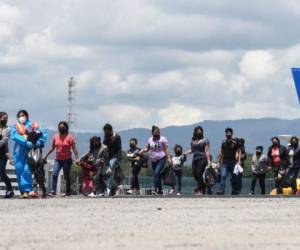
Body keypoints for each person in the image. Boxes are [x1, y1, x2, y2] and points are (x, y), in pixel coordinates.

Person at [11, 110, 47, 199]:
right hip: (18, 153)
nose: (21, 117)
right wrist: (25, 142)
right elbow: (14, 136)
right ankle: (22, 191)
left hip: (29, 152)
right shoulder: (15, 126)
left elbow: (43, 133)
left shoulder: (32, 125)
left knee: (26, 171)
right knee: (19, 171)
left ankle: (27, 191)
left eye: (23, 115)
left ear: (27, 116)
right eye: (19, 116)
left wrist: (38, 142)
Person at [44, 121, 79, 197]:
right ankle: (53, 191)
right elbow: (52, 147)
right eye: (60, 127)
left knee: (66, 176)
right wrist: (46, 156)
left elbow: (74, 148)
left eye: (63, 127)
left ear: (66, 128)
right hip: (58, 159)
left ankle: (68, 192)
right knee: (54, 174)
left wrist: (77, 158)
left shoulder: (70, 137)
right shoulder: (56, 136)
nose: (61, 128)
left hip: (67, 160)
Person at [139, 126, 171, 195]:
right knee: (157, 175)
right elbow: (147, 149)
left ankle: (155, 189)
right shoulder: (150, 140)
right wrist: (142, 151)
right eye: (156, 132)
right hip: (153, 160)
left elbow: (166, 149)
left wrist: (168, 158)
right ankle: (160, 190)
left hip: (161, 158)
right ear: (152, 132)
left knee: (156, 173)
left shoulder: (163, 139)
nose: (157, 133)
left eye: (158, 132)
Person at [185, 126, 211, 195]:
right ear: (195, 132)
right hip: (195, 159)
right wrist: (184, 153)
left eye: (200, 131)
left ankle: (199, 189)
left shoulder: (205, 140)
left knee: (199, 172)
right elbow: (192, 150)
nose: (199, 132)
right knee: (195, 174)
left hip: (203, 158)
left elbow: (207, 151)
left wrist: (209, 161)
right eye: (198, 131)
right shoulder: (193, 141)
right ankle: (203, 187)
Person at [216, 128, 241, 195]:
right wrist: (218, 162)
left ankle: (235, 190)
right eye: (226, 133)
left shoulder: (235, 142)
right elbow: (221, 152)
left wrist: (239, 161)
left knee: (234, 177)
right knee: (223, 176)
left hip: (233, 162)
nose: (227, 134)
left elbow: (239, 151)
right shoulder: (223, 142)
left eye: (229, 133)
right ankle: (221, 190)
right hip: (225, 162)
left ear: (232, 134)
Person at [103, 124, 123, 196]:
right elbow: (104, 148)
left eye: (106, 131)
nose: (105, 132)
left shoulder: (117, 136)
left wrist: (119, 157)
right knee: (107, 173)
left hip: (115, 156)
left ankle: (110, 187)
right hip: (108, 157)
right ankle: (115, 187)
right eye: (105, 131)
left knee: (110, 170)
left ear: (110, 129)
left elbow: (119, 148)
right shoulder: (106, 138)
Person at [0, 112, 14, 198]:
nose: (5, 120)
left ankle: (9, 189)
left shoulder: (8, 129)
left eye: (6, 118)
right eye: (4, 118)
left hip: (3, 153)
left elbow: (4, 141)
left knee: (1, 173)